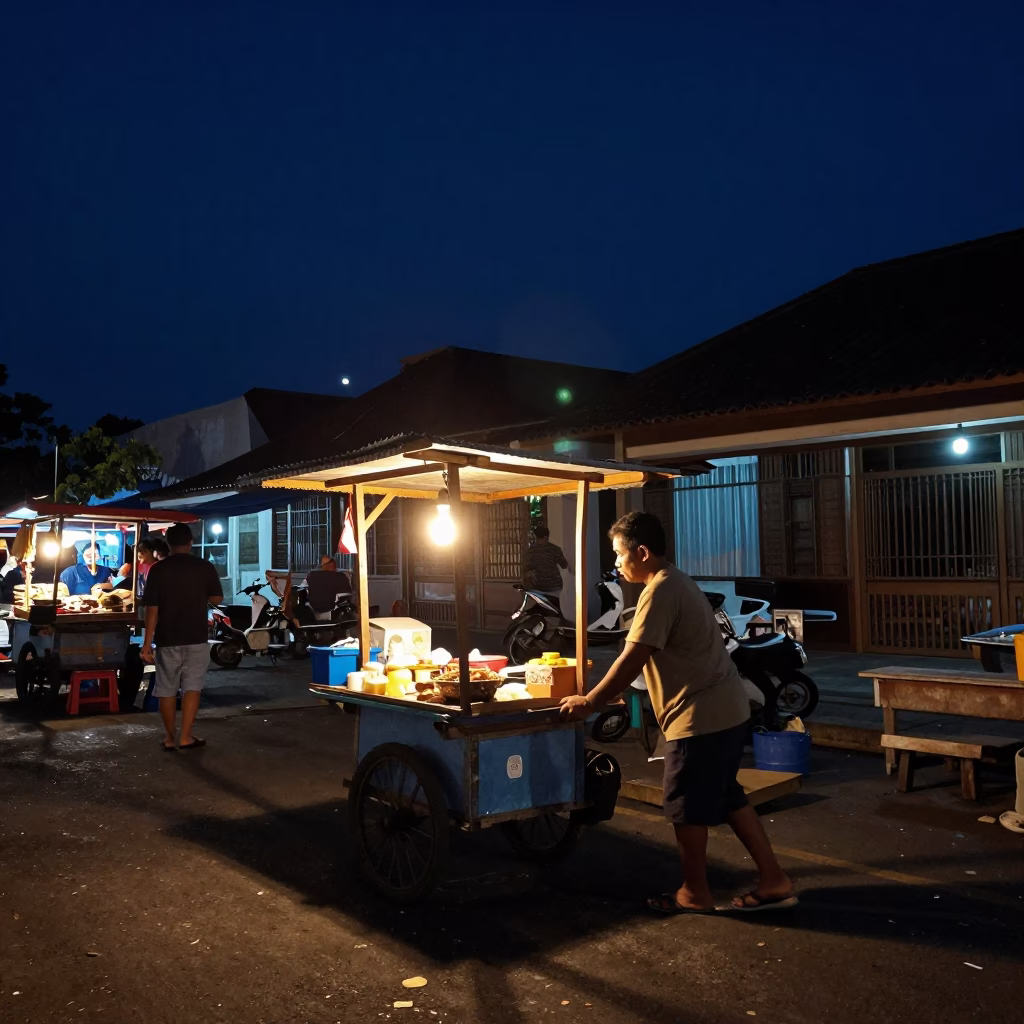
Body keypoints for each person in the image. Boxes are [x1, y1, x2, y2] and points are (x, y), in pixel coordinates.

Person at [560, 511, 795, 915]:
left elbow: (635, 657)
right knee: (728, 798)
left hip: (700, 715)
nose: (615, 563)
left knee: (685, 804)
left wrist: (591, 701)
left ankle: (695, 892)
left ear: (643, 552)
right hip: (724, 709)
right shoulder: (673, 582)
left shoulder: (661, 591)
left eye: (619, 554)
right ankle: (774, 879)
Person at [141, 523, 223, 752]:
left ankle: (170, 737)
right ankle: (186, 736)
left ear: (168, 544)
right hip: (196, 635)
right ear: (190, 543)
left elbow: (152, 610)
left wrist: (147, 644)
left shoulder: (158, 570)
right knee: (192, 687)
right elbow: (217, 598)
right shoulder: (204, 567)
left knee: (166, 688)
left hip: (167, 637)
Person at [523, 525, 569, 602]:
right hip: (555, 586)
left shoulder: (530, 551)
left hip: (538, 586)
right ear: (546, 536)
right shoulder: (555, 549)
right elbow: (564, 565)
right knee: (555, 605)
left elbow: (526, 569)